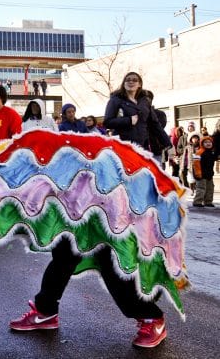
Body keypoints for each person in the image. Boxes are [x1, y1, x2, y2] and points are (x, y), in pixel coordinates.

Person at [10, 71, 170, 349]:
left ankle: (150, 317)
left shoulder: (123, 145)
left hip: (115, 208)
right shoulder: (59, 156)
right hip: (83, 206)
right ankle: (45, 311)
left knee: (111, 264)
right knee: (63, 254)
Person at [191, 136, 215, 207]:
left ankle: (208, 201)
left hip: (209, 174)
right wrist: (198, 173)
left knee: (210, 188)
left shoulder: (211, 152)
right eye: (206, 142)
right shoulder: (199, 152)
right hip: (201, 174)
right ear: (202, 144)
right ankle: (197, 201)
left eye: (210, 142)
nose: (208, 144)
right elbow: (196, 164)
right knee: (201, 188)